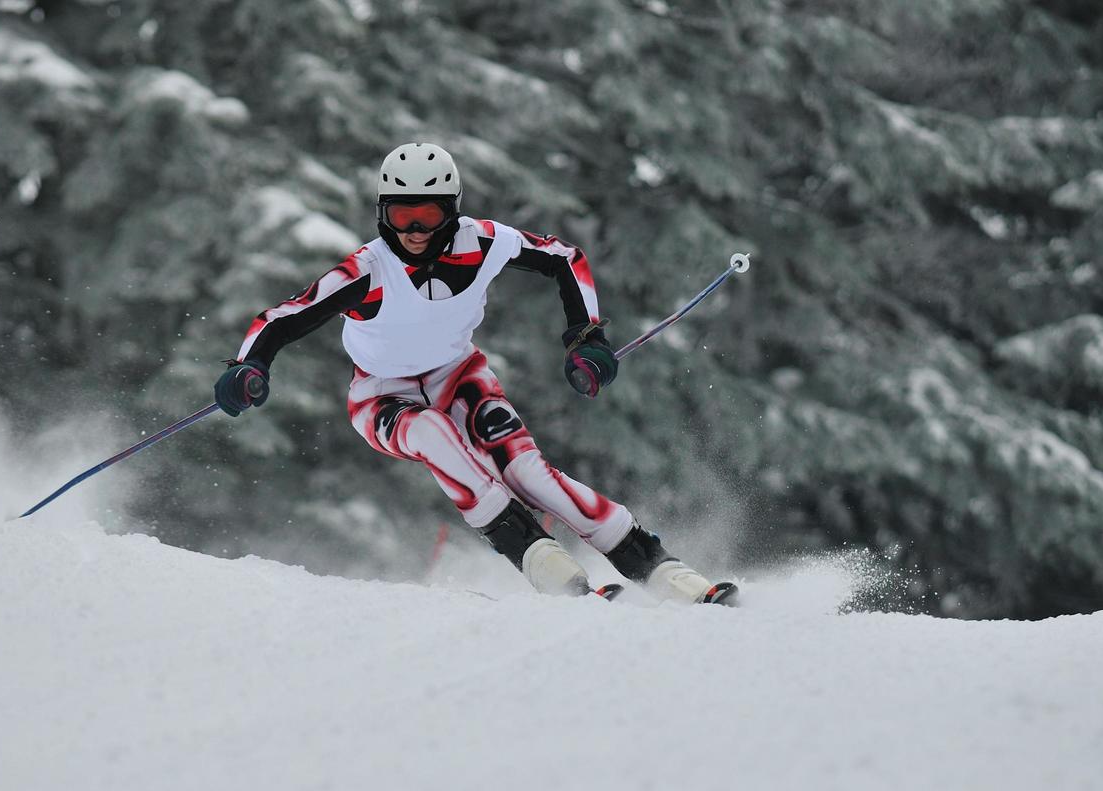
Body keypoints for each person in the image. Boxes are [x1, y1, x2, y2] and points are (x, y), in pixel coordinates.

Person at [214, 142, 736, 605]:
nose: (415, 231)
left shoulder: (483, 242)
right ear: (382, 214)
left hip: (460, 375)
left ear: (453, 210)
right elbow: (282, 319)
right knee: (433, 433)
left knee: (525, 470)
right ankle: (546, 565)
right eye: (401, 216)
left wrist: (585, 336)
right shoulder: (367, 271)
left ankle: (663, 570)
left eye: (428, 214)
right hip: (379, 397)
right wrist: (249, 366)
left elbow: (565, 259)